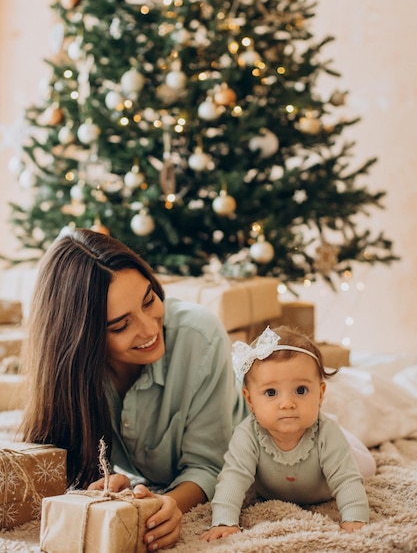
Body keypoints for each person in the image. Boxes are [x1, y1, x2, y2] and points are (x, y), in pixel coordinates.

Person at [19, 227, 246, 552]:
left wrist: (168, 504)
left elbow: (209, 465)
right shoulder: (72, 373)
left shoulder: (200, 336)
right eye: (120, 325)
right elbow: (65, 457)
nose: (149, 328)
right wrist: (104, 484)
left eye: (149, 300)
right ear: (82, 340)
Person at [201, 325, 374, 542]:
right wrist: (225, 521)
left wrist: (355, 519)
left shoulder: (326, 433)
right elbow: (232, 478)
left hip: (336, 465)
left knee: (366, 466)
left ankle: (353, 440)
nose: (287, 404)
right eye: (271, 392)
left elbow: (347, 479)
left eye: (301, 390)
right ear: (250, 400)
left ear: (320, 394)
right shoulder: (247, 435)